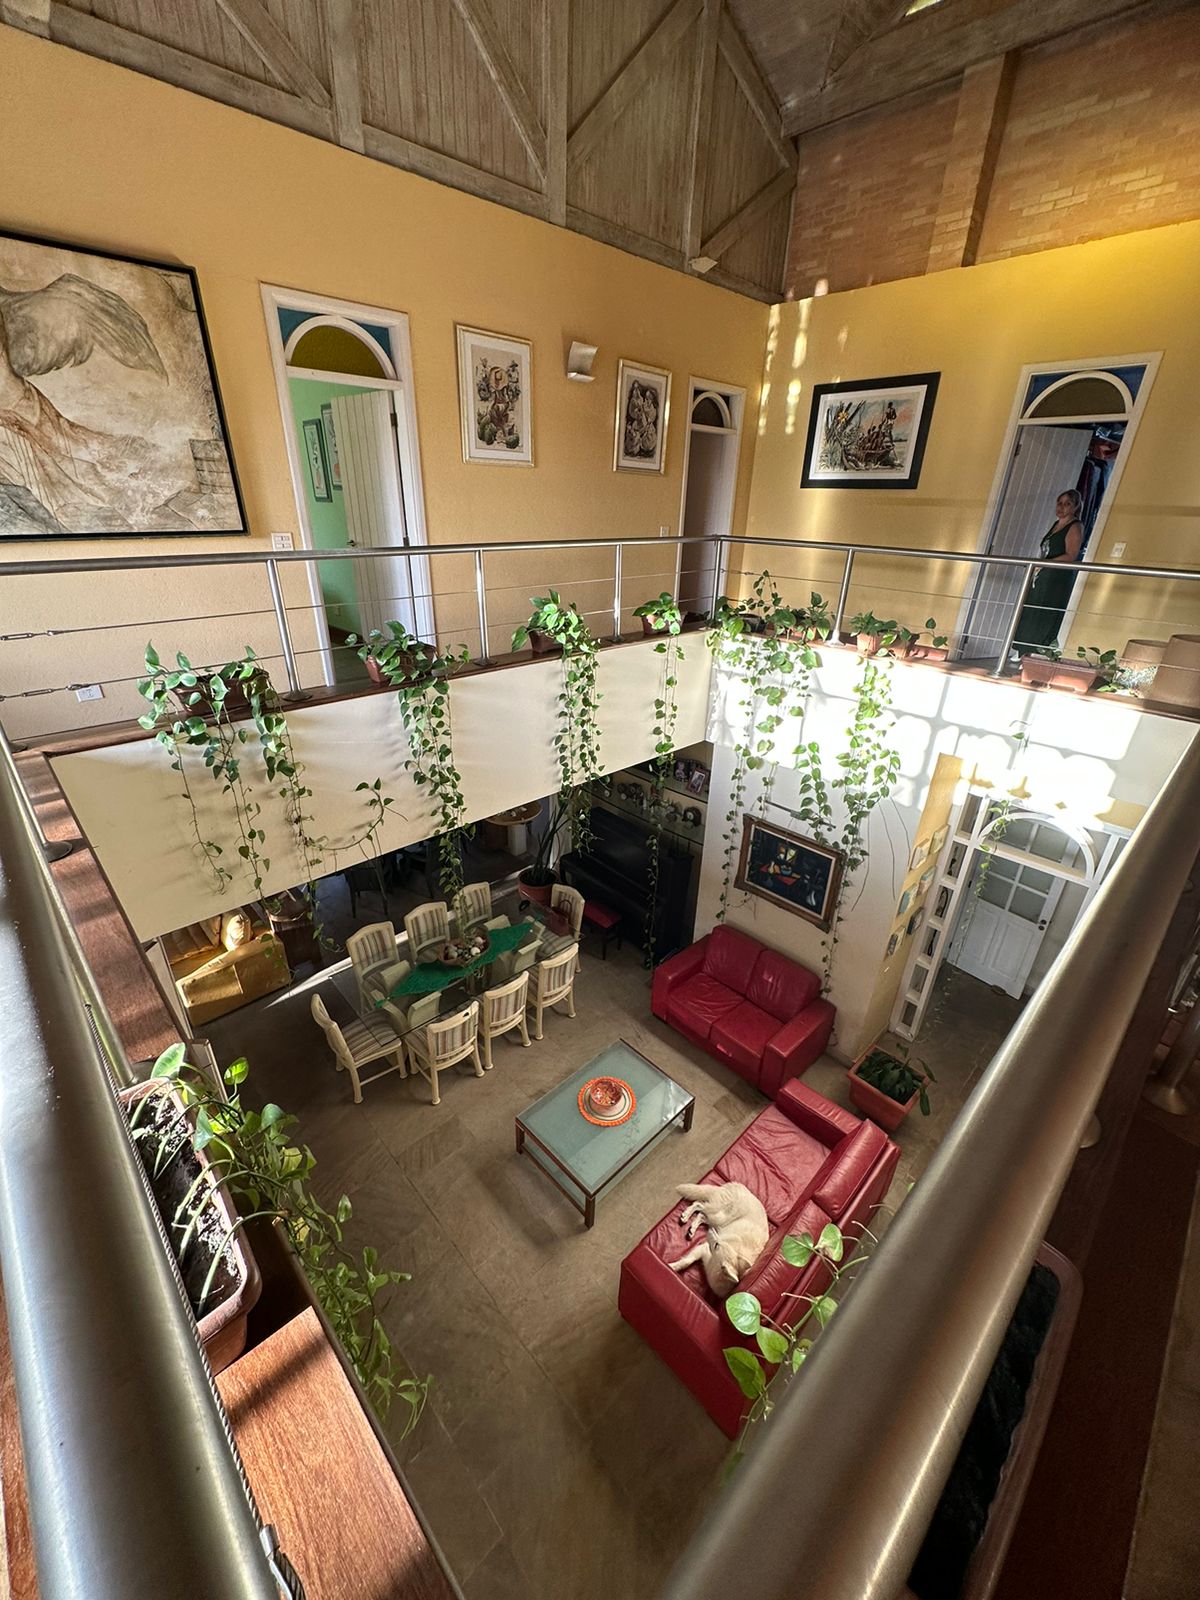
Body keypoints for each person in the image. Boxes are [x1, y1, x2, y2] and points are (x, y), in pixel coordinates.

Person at [1012, 489, 1085, 656]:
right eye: (1059, 503)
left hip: (1056, 579)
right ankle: (1023, 651)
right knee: (1031, 610)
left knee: (1044, 614)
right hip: (1043, 575)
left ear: (1075, 507)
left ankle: (1036, 653)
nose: (1061, 507)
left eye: (1067, 504)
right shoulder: (1055, 525)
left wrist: (1045, 564)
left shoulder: (1075, 526)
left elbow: (1071, 555)